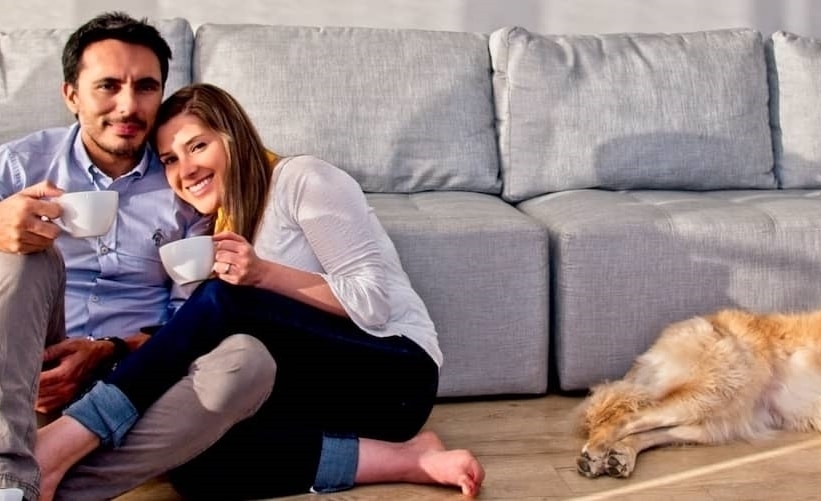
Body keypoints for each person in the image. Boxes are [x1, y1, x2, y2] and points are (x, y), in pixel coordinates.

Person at [36, 83, 486, 499]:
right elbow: (193, 339)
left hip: (397, 374)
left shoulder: (302, 179)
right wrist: (109, 349)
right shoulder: (224, 227)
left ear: (232, 137)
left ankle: (68, 438)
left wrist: (262, 275)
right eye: (170, 159)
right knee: (194, 457)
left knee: (224, 299)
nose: (185, 169)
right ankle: (407, 460)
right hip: (315, 393)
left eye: (197, 145)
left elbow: (371, 302)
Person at [0, 13, 275, 501]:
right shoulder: (21, 164)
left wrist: (109, 350)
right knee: (27, 257)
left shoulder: (186, 184)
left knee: (249, 363)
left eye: (146, 87)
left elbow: (189, 321)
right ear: (71, 95)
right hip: (20, 374)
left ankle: (26, 480)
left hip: (131, 379)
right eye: (107, 86)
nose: (128, 106)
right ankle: (14, 469)